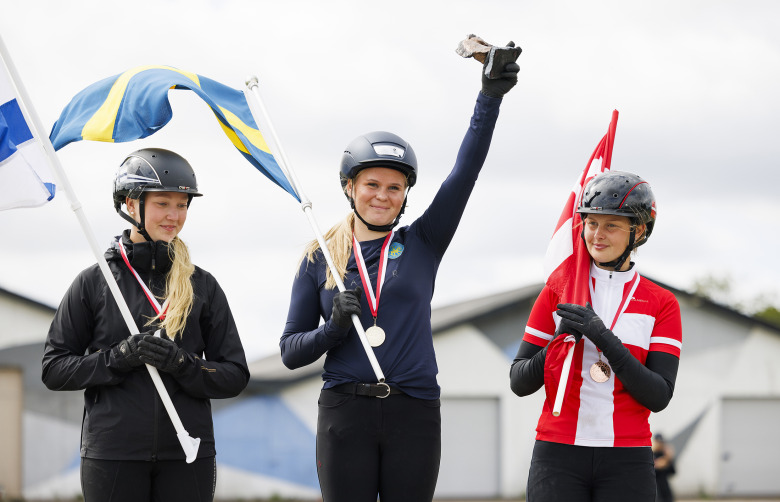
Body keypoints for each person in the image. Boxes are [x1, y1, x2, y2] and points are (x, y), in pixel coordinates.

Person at [279, 49, 520, 501]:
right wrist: (331, 331)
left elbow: (463, 174)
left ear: (406, 195)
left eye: (395, 187)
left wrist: (489, 98)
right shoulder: (320, 258)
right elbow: (290, 352)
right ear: (349, 186)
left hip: (415, 409)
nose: (383, 196)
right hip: (345, 410)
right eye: (371, 184)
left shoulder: (424, 241)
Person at [42, 148, 250, 502]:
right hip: (112, 455)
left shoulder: (203, 285)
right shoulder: (95, 282)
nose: (175, 215)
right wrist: (115, 359)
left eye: (182, 205)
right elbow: (54, 369)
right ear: (130, 204)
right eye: (163, 204)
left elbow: (234, 375)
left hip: (188, 453)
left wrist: (184, 365)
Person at [509, 171, 683, 502]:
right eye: (591, 224)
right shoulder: (558, 290)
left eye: (611, 225)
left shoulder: (662, 303)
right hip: (558, 452)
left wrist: (603, 337)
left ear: (639, 230)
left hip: (627, 457)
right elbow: (519, 382)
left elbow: (658, 396)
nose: (597, 235)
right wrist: (560, 341)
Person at [653, 433, 676, 502]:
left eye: (661, 442)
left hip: (665, 488)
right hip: (656, 488)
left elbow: (673, 471)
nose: (660, 444)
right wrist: (657, 465)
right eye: (658, 442)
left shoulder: (665, 455)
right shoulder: (652, 454)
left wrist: (669, 459)